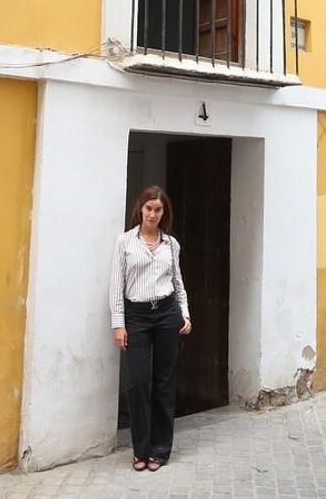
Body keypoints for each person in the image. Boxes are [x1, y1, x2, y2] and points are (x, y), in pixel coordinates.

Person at [109, 185, 192, 472]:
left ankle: (160, 450)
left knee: (164, 383)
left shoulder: (171, 244)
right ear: (140, 209)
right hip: (138, 317)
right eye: (149, 209)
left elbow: (178, 281)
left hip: (167, 314)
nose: (153, 214)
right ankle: (141, 449)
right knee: (138, 383)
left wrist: (185, 313)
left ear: (163, 212)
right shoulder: (125, 242)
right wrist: (119, 325)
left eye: (158, 209)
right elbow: (116, 287)